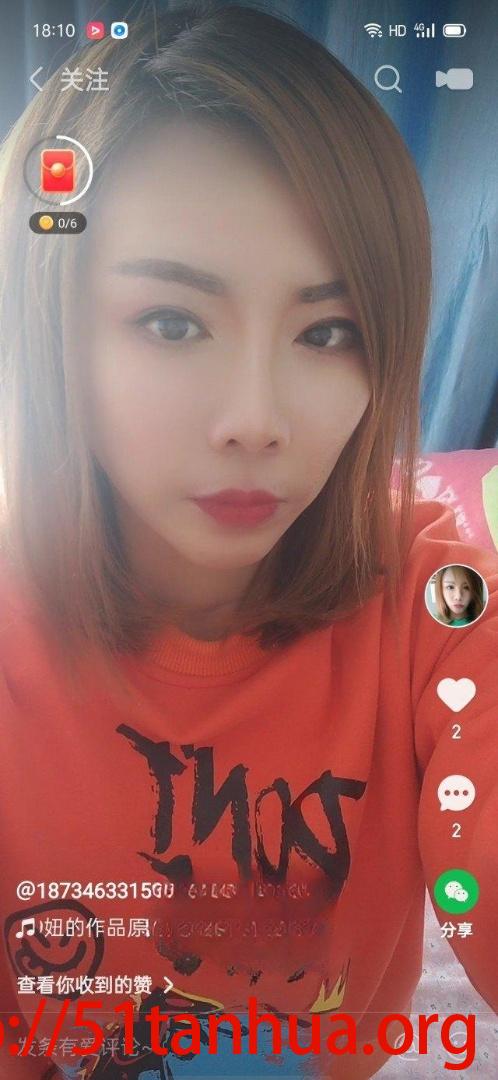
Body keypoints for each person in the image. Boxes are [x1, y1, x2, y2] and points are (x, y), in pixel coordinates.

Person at [0, 3, 496, 1079]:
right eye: (173, 322)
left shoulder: (442, 603)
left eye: (329, 332)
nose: (257, 419)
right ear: (50, 324)